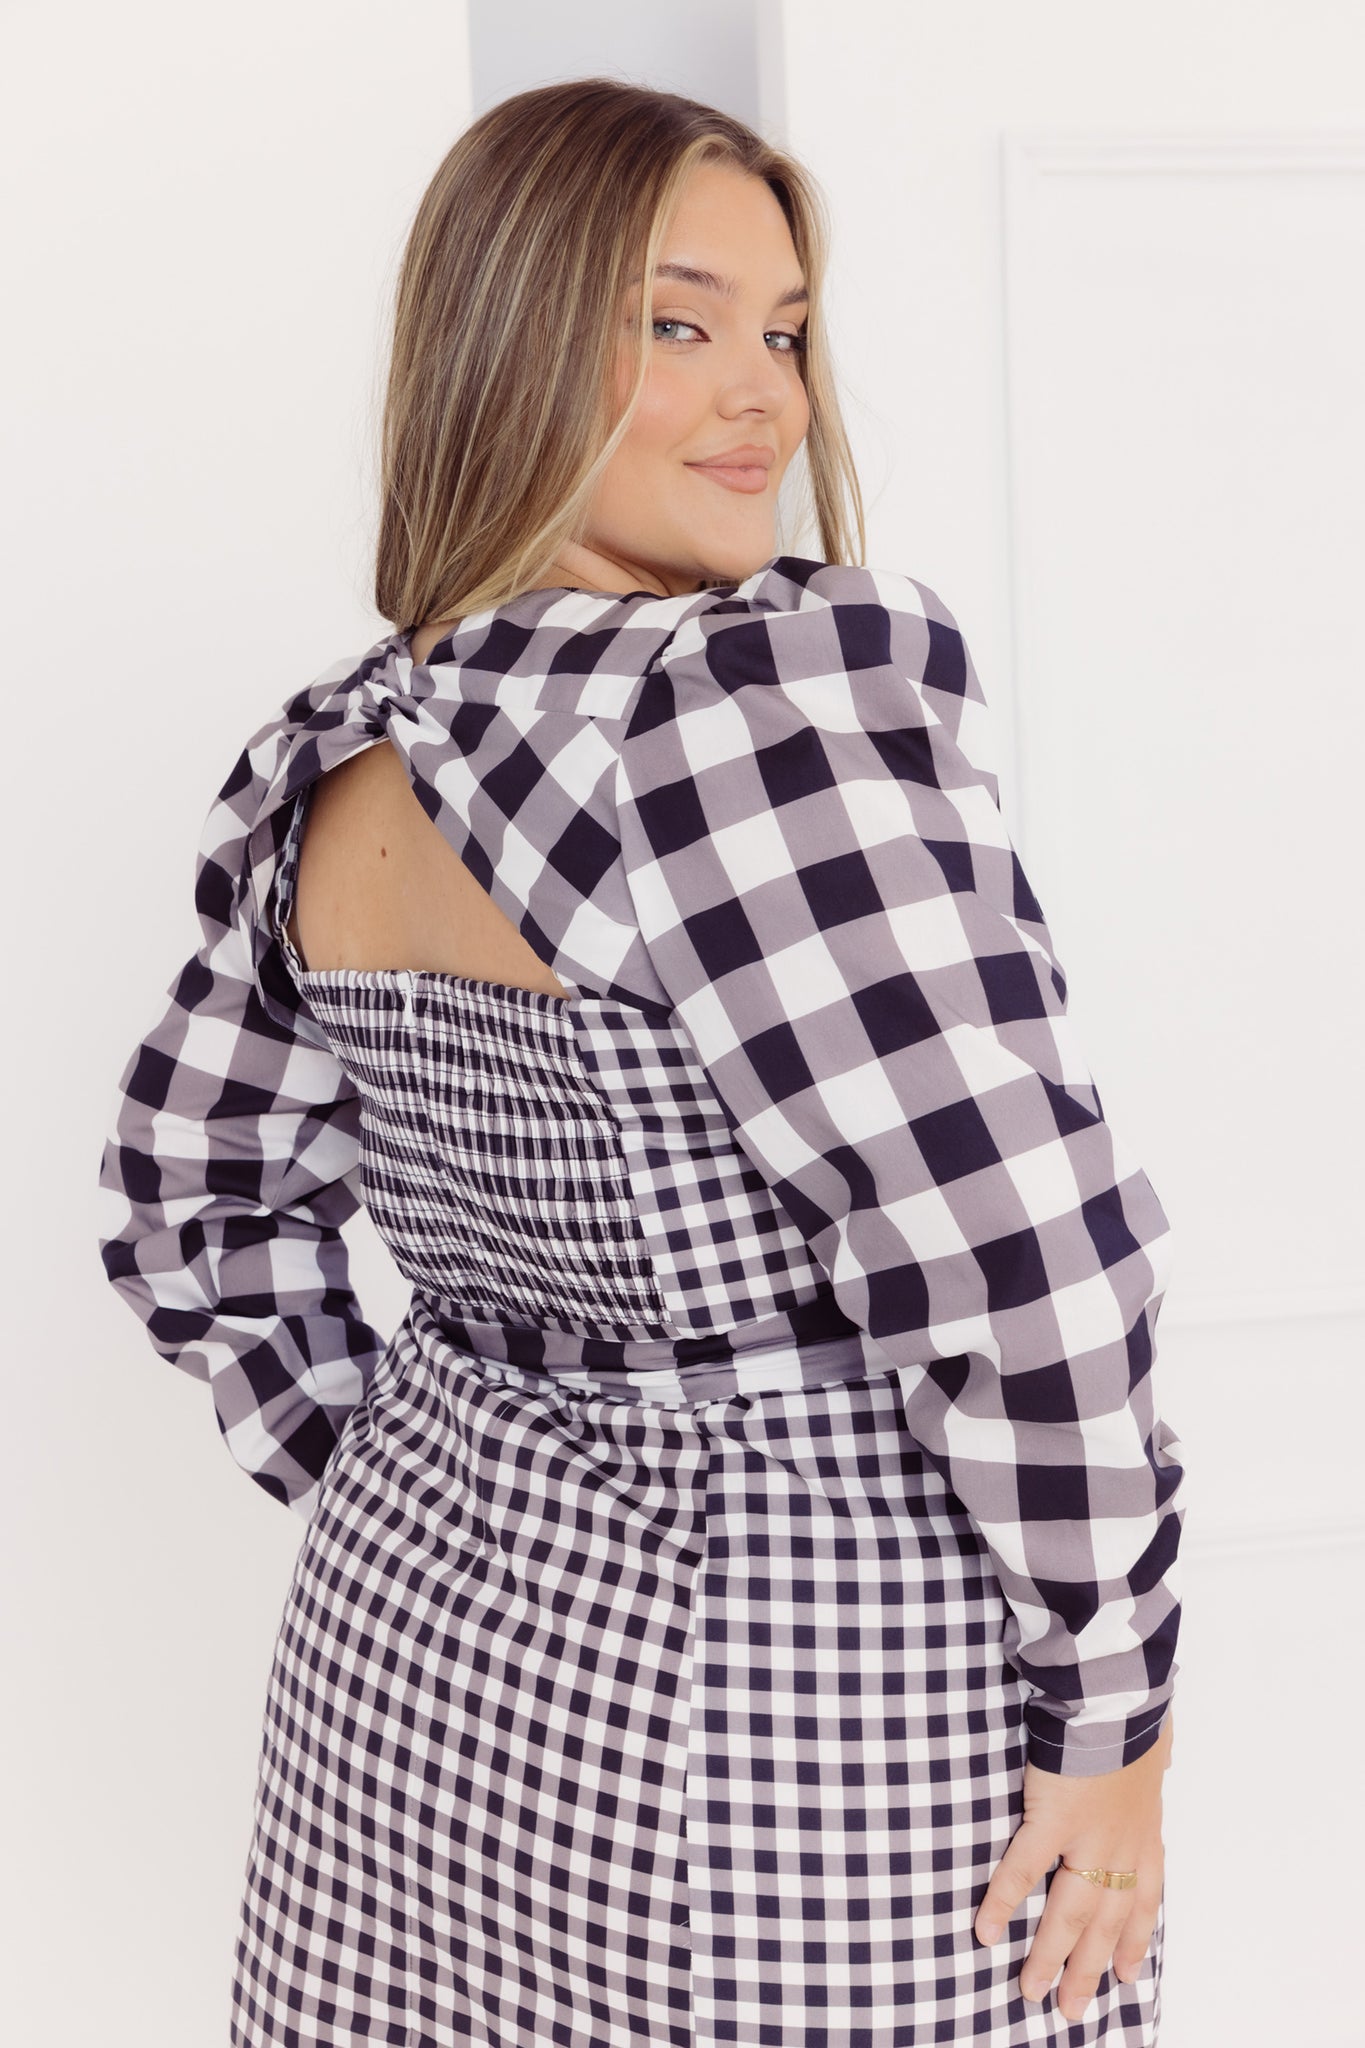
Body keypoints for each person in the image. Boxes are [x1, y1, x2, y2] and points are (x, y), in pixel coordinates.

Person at [97, 76, 1185, 2047]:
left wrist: (413, 1465)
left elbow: (189, 1201)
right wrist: (1107, 1711)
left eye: (779, 330)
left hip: (411, 1687)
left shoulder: (341, 758)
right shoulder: (733, 723)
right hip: (795, 1699)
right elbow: (1023, 1266)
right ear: (509, 342)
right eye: (674, 324)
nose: (759, 394)